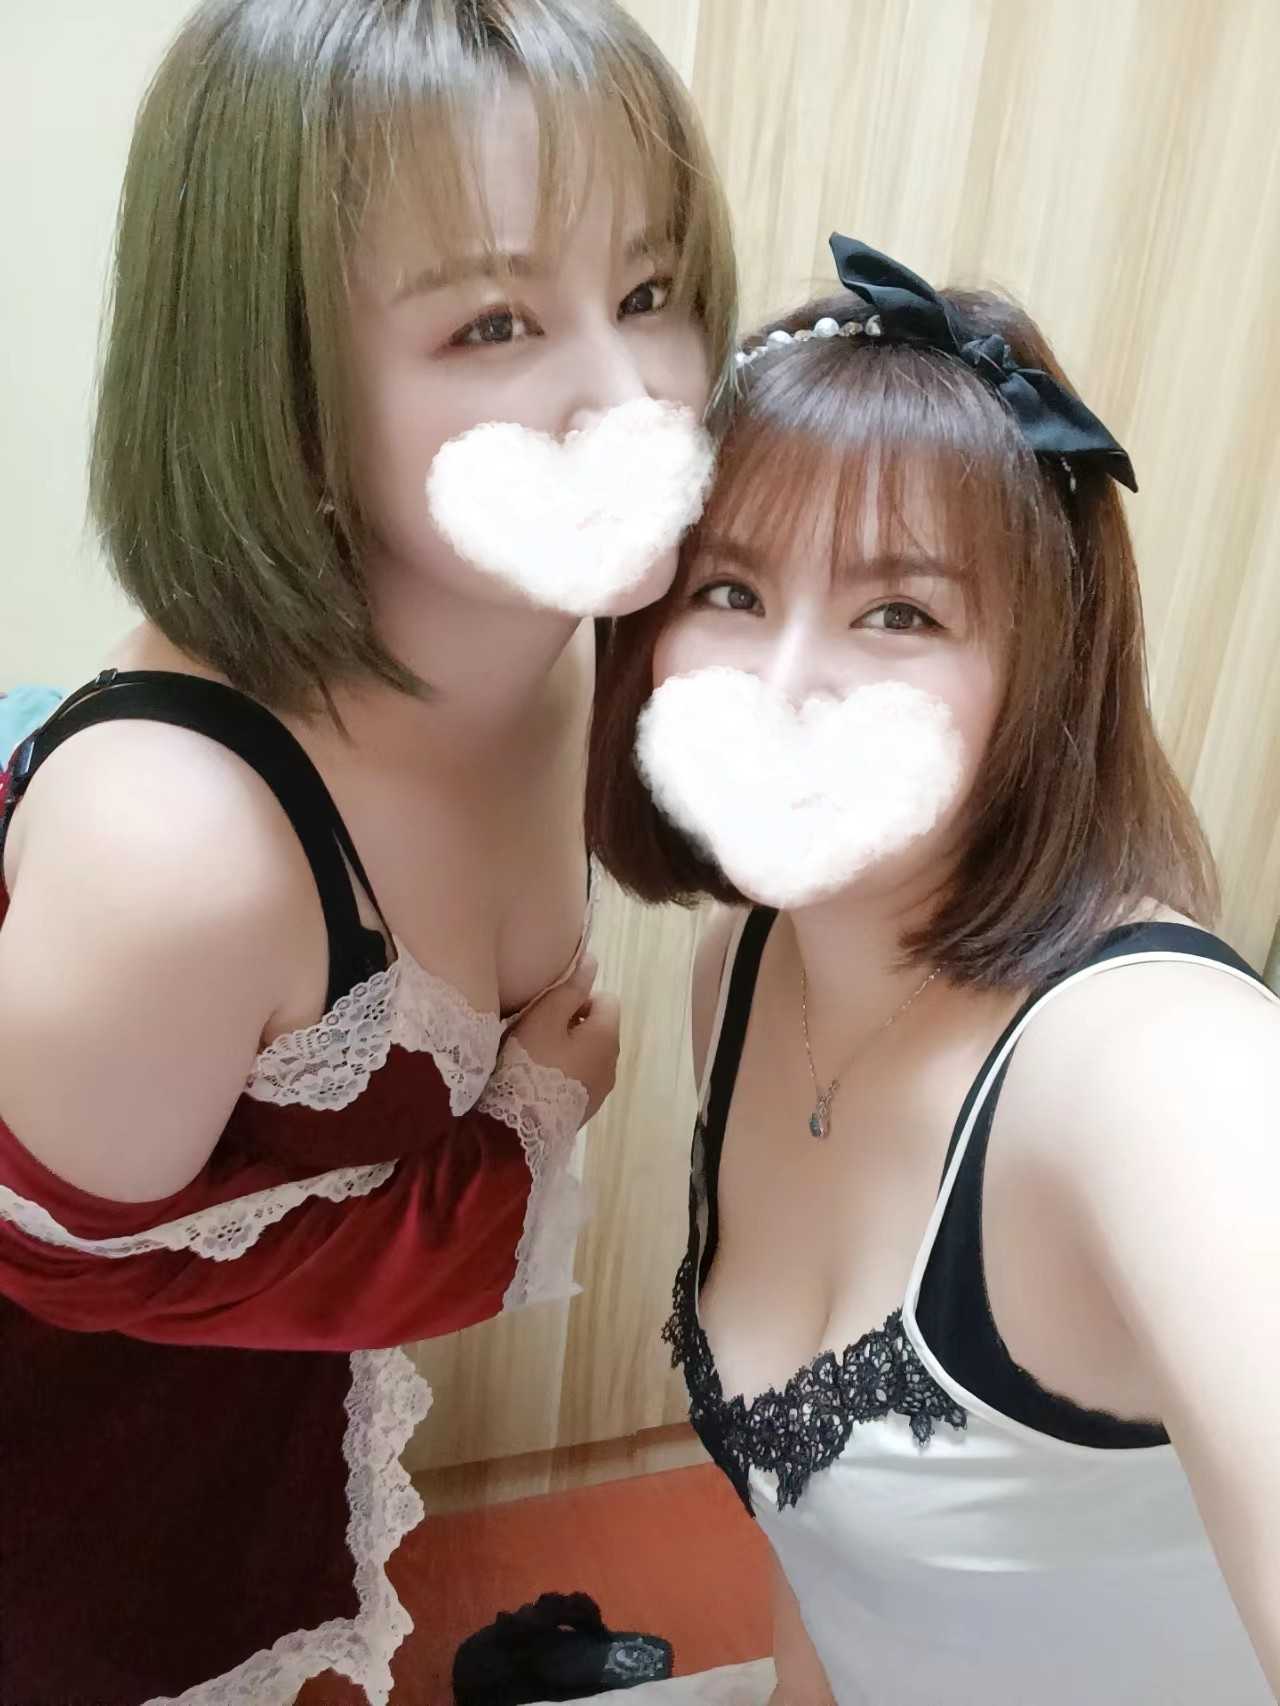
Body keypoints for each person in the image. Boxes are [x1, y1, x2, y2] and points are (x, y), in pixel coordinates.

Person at [0, 3, 735, 1702]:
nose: (631, 400)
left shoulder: (551, 631)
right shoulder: (182, 855)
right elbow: (70, 1266)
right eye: (494, 322)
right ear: (278, 386)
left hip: (263, 1393)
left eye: (649, 290)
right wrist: (519, 1135)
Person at [588, 237, 1280, 1705]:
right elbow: (817, 1550)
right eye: (727, 590)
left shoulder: (1166, 1076)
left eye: (899, 613)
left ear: (1041, 676)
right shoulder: (742, 975)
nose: (780, 686)